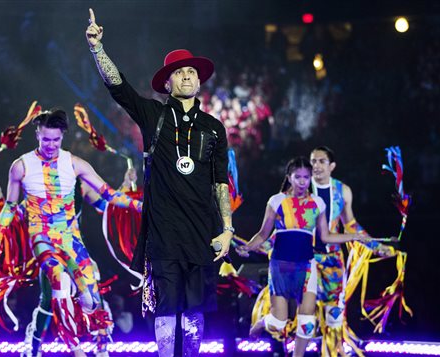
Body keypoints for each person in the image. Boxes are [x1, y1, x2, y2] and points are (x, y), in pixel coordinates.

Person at [86, 9, 232, 356]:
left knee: (195, 311)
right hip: (163, 232)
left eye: (191, 72)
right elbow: (118, 87)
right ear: (167, 83)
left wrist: (226, 228)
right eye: (179, 72)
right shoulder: (154, 115)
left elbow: (219, 181)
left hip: (202, 231)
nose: (186, 76)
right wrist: (97, 48)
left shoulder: (214, 127)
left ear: (199, 81)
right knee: (166, 308)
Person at [0, 109, 141, 357]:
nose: (51, 145)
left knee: (92, 297)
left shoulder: (76, 168)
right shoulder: (21, 167)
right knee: (58, 284)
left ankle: (99, 346)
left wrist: (142, 205)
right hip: (42, 240)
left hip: (71, 241)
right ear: (37, 135)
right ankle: (68, 348)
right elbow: (13, 209)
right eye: (46, 139)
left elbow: (108, 198)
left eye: (56, 139)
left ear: (63, 137)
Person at [237, 157, 367, 357]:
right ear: (289, 177)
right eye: (297, 177)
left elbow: (325, 236)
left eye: (306, 177)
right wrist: (247, 247)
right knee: (279, 321)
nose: (302, 181)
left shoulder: (318, 203)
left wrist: (355, 236)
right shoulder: (276, 201)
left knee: (308, 320)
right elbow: (263, 234)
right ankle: (262, 323)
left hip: (306, 267)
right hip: (280, 267)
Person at [309, 146, 395, 356]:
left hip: (332, 260)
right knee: (306, 314)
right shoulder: (301, 187)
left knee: (334, 314)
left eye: (321, 161)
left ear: (332, 166)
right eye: (313, 161)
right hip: (306, 258)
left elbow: (351, 225)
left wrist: (376, 246)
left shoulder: (342, 191)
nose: (316, 166)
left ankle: (331, 352)